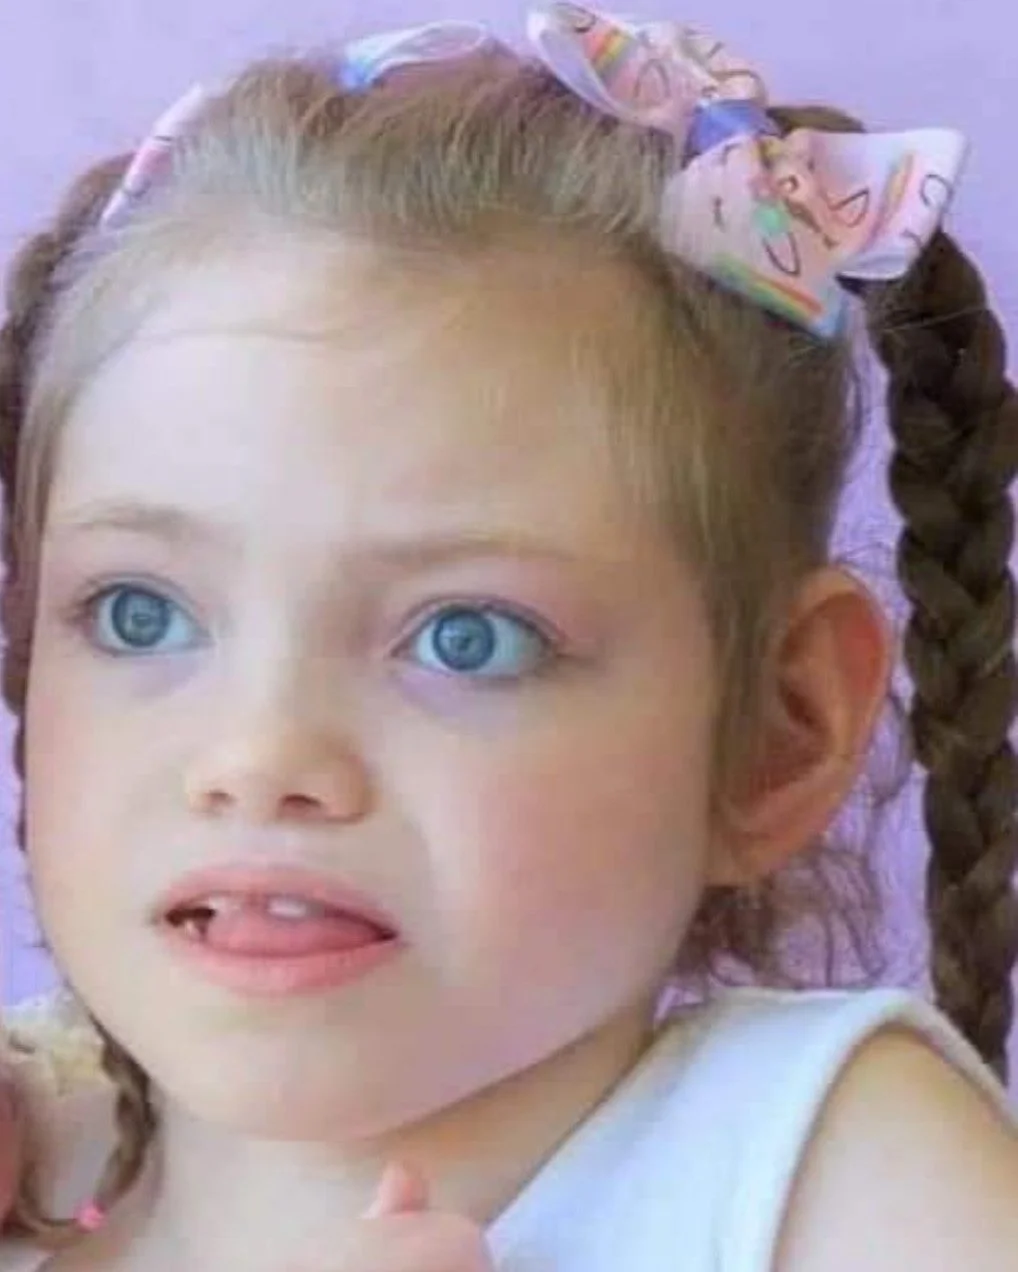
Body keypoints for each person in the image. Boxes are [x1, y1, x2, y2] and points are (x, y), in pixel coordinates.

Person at [0, 4, 1015, 1269]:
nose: (258, 756)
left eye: (466, 637)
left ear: (776, 731)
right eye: (138, 613)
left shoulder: (834, 1179)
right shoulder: (34, 1152)